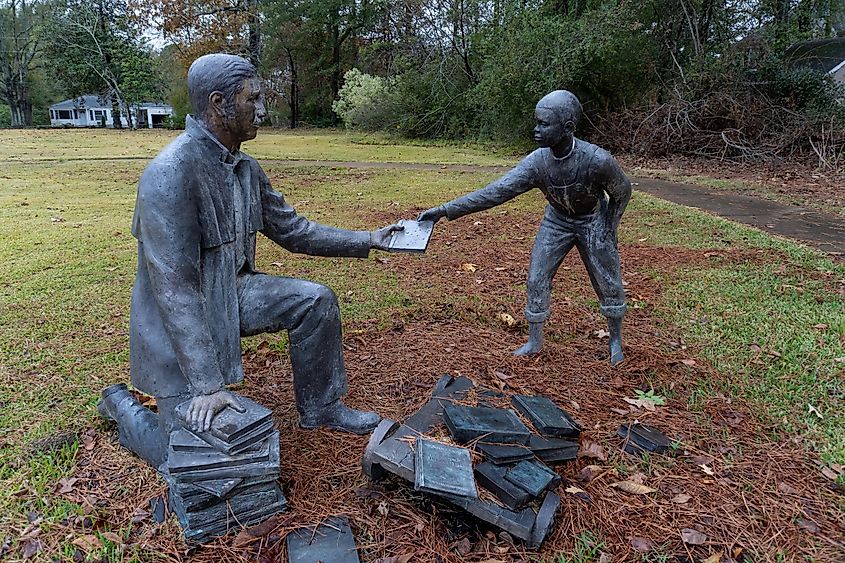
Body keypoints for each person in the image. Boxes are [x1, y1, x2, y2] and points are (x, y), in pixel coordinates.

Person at [97, 53, 403, 468]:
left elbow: (294, 230)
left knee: (315, 300)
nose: (263, 111)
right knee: (180, 455)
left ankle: (322, 407)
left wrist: (369, 239)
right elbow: (175, 289)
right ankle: (120, 405)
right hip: (175, 328)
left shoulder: (246, 169)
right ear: (218, 104)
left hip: (232, 294)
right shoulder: (170, 174)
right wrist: (206, 385)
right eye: (252, 100)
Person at [419, 90, 631, 365]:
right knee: (536, 278)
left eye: (544, 124)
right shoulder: (537, 162)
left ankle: (615, 341)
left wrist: (609, 227)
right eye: (537, 122)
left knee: (608, 280)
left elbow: (622, 191)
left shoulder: (597, 160)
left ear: (567, 128)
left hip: (592, 219)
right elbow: (496, 192)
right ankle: (534, 341)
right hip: (557, 220)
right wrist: (446, 210)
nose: (536, 130)